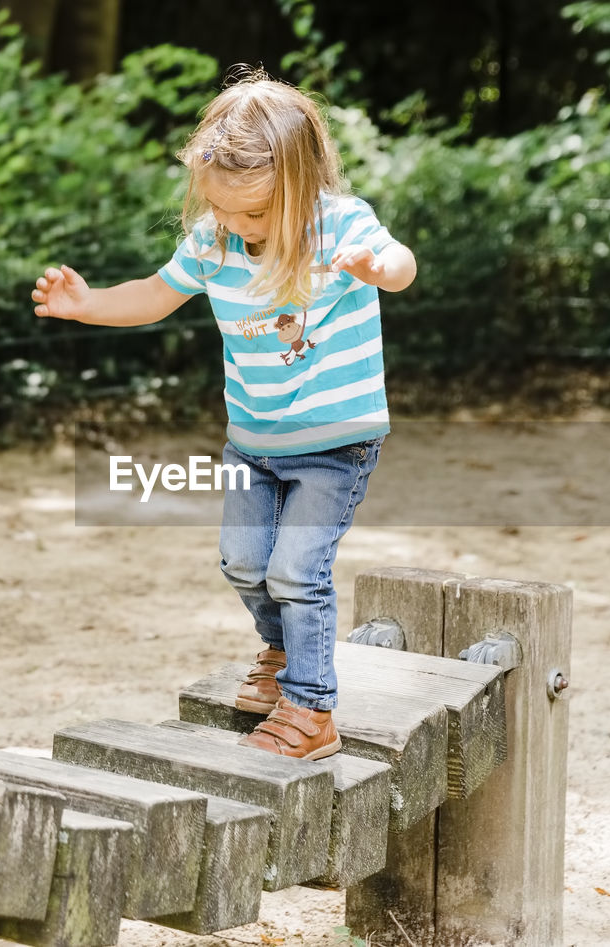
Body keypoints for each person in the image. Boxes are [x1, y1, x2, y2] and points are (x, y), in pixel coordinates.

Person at [31, 71, 416, 761]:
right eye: (224, 210)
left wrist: (380, 266)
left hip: (335, 443)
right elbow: (153, 294)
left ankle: (311, 708)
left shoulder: (341, 226)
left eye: (255, 215)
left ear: (299, 185)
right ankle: (280, 650)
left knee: (299, 570)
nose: (238, 227)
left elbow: (402, 264)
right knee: (244, 564)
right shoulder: (214, 241)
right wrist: (85, 304)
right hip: (253, 442)